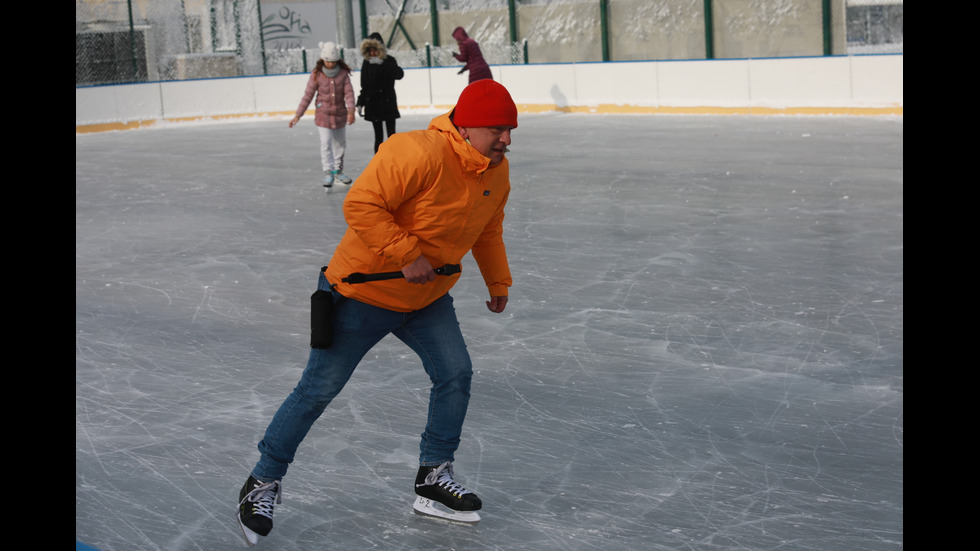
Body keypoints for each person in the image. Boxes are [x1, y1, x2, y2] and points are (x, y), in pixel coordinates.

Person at [236, 79, 519, 545]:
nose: (506, 139)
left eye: (510, 129)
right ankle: (262, 480)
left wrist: (498, 280)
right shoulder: (416, 153)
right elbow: (362, 204)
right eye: (496, 129)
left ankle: (433, 476)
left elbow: (488, 231)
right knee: (317, 390)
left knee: (456, 373)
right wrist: (407, 253)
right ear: (466, 126)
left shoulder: (495, 170)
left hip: (426, 299)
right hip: (362, 294)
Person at [289, 41, 356, 188]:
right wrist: (297, 115)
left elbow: (349, 94)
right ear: (322, 59)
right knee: (325, 143)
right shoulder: (316, 74)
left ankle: (338, 171)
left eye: (332, 61)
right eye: (327, 61)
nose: (330, 64)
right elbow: (307, 96)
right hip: (323, 116)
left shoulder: (343, 75)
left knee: (340, 145)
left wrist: (351, 111)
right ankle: (328, 172)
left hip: (339, 115)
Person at [356, 32, 405, 154]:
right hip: (373, 105)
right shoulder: (367, 64)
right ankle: (378, 162)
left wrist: (384, 64)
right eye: (370, 51)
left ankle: (394, 160)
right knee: (378, 137)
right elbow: (365, 85)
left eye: (375, 50)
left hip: (388, 103)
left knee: (392, 135)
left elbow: (399, 75)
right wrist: (360, 102)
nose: (373, 53)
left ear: (380, 49)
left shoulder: (389, 61)